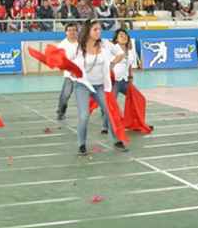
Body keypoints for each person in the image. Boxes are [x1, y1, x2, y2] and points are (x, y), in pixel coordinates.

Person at [72, 20, 126, 156]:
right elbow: (69, 64)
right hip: (82, 85)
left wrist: (112, 63)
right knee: (84, 115)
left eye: (99, 29)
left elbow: (120, 53)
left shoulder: (105, 44)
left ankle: (117, 140)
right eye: (95, 29)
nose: (98, 32)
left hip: (101, 85)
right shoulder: (79, 48)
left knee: (110, 111)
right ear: (88, 31)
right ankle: (81, 144)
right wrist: (72, 71)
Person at [56, 22, 79, 120]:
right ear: (66, 32)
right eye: (69, 30)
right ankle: (61, 111)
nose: (72, 32)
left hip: (83, 74)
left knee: (93, 93)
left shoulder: (82, 42)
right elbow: (59, 61)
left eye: (74, 30)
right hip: (69, 75)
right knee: (65, 95)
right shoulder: (62, 45)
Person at [111, 28, 138, 97]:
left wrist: (130, 78)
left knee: (136, 98)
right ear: (116, 39)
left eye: (125, 35)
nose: (124, 37)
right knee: (111, 102)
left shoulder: (130, 51)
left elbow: (129, 65)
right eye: (121, 36)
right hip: (114, 81)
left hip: (125, 81)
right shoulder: (113, 49)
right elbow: (108, 64)